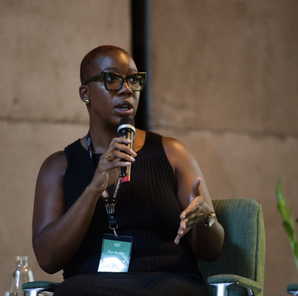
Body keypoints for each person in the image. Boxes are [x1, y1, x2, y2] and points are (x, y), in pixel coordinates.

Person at [32, 45, 225, 296]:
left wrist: (206, 220)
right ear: (85, 93)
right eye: (111, 79)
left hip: (167, 285)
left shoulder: (171, 152)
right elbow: (48, 260)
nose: (126, 89)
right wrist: (94, 188)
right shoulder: (58, 166)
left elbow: (211, 252)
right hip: (90, 287)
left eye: (133, 80)